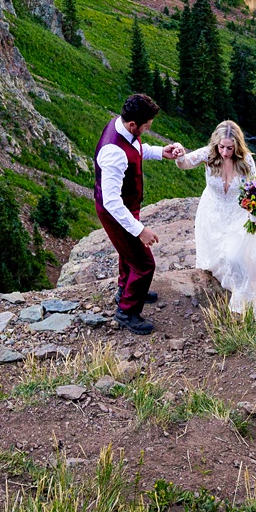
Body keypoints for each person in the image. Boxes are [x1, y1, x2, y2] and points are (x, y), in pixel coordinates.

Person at [94, 93, 185, 334]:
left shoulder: (122, 127)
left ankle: (126, 290)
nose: (148, 129)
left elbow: (135, 150)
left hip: (127, 206)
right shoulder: (113, 153)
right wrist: (140, 230)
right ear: (133, 124)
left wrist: (161, 152)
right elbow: (112, 202)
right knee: (144, 264)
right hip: (115, 212)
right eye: (146, 126)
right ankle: (127, 312)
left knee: (128, 254)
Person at [176, 119, 256, 315]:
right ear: (216, 143)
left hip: (238, 215)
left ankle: (243, 304)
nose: (225, 152)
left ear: (237, 146)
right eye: (221, 147)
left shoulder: (246, 161)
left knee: (235, 257)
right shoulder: (208, 155)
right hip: (213, 214)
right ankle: (239, 296)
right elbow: (184, 164)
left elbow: (254, 190)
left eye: (230, 148)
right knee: (220, 260)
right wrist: (178, 152)